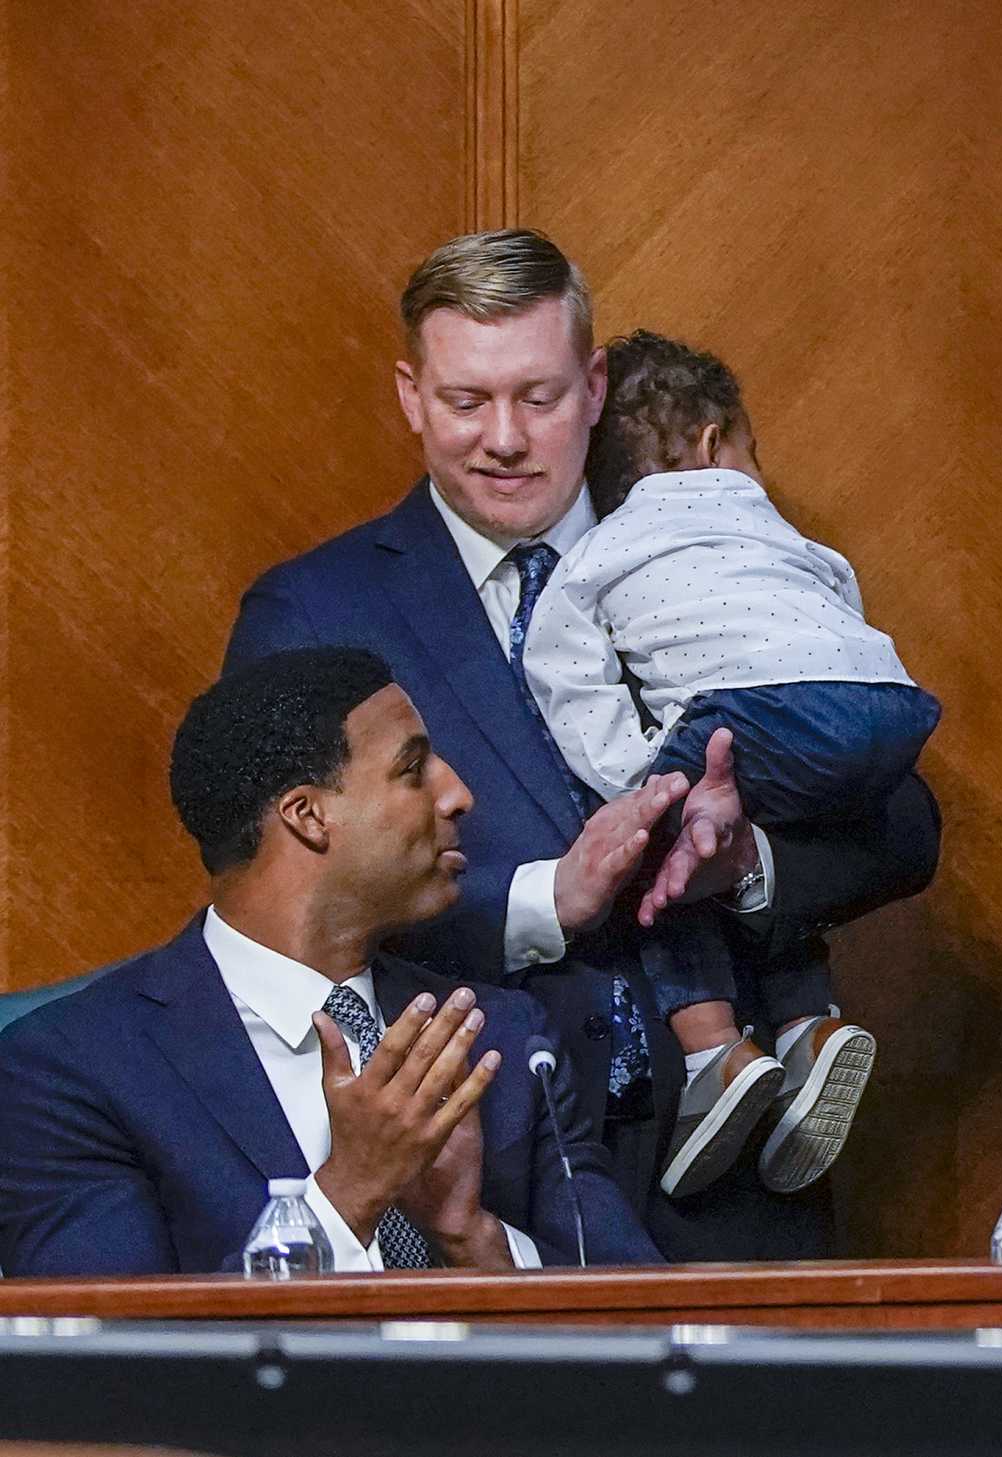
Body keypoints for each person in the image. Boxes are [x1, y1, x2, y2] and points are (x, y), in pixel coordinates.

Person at [224, 229, 941, 1261]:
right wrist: (542, 902)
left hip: (731, 1162)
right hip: (475, 1161)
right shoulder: (315, 610)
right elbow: (277, 898)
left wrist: (746, 867)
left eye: (540, 397)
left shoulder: (711, 547)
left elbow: (905, 827)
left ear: (596, 385)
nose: (504, 438)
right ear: (410, 394)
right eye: (467, 401)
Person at [0, 648, 660, 1275]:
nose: (458, 795)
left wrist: (472, 1235)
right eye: (413, 768)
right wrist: (348, 1194)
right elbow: (109, 1363)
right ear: (308, 815)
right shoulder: (71, 1070)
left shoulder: (508, 1039)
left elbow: (647, 1316)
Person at [523, 330, 940, 1198]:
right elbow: (836, 592)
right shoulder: (773, 526)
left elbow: (563, 667)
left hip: (750, 710)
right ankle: (806, 1025)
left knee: (659, 843)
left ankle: (713, 1044)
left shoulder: (602, 547)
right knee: (765, 822)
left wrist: (641, 784)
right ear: (716, 442)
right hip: (886, 698)